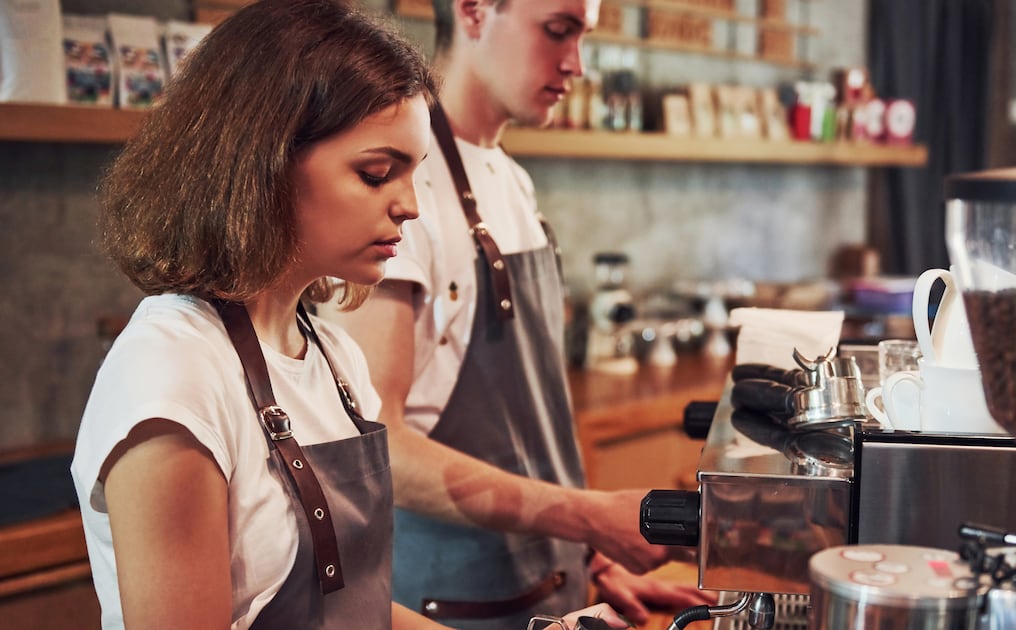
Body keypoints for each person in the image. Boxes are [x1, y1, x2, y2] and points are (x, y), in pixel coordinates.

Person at [69, 1, 626, 628]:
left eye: (413, 175)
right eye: (376, 173)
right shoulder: (173, 376)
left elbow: (353, 610)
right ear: (263, 161)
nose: (410, 207)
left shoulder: (333, 358)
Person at [326, 0, 715, 625]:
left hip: (550, 587)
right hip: (457, 606)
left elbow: (524, 430)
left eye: (583, 36)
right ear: (474, 12)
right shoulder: (403, 198)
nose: (577, 63)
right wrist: (588, 513)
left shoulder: (510, 181)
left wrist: (592, 560)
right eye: (557, 31)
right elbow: (378, 442)